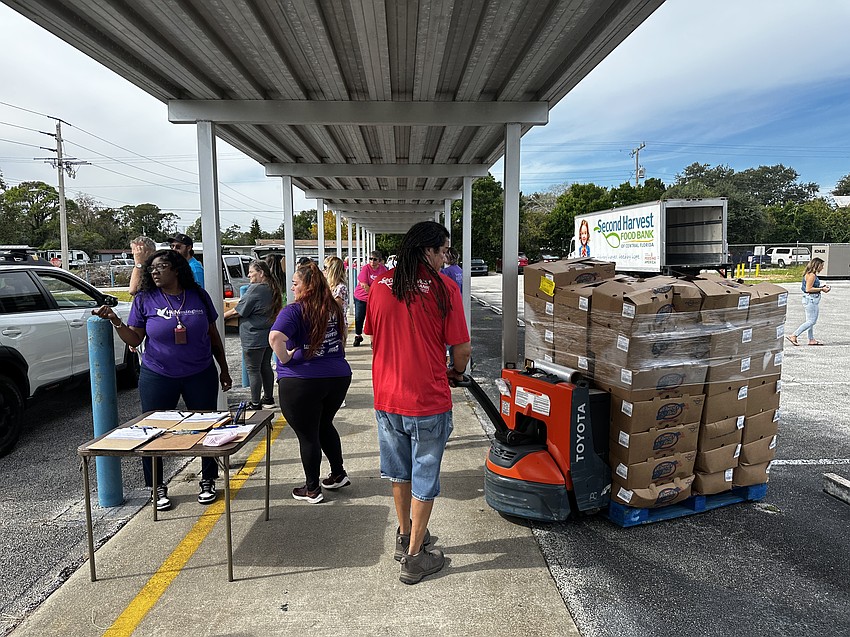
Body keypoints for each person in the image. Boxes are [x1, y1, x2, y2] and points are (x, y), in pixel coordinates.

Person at [364, 221, 471, 585]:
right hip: (426, 398)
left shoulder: (378, 285)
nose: (446, 258)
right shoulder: (444, 288)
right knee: (425, 475)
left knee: (399, 471)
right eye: (443, 251)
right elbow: (462, 350)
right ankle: (414, 557)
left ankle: (405, 533)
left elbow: (375, 333)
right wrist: (456, 372)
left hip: (387, 398)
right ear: (428, 250)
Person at [92, 249, 232, 510]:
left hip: (200, 373)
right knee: (154, 431)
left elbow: (213, 337)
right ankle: (157, 487)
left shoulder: (198, 296)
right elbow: (135, 339)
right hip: (158, 375)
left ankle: (208, 480)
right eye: (152, 268)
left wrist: (223, 369)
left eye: (162, 266)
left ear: (177, 269)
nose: (155, 272)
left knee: (208, 428)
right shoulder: (145, 299)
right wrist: (115, 321)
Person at [269, 261, 352, 504]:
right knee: (325, 424)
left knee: (308, 435)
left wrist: (286, 359)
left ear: (307, 286)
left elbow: (275, 337)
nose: (292, 288)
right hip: (337, 376)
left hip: (302, 380)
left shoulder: (294, 310)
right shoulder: (334, 308)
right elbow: (342, 338)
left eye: (295, 284)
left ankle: (312, 488)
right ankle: (338, 474)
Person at [223, 260, 282, 408]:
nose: (248, 275)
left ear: (261, 273)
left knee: (253, 369)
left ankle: (255, 403)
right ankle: (268, 398)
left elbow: (239, 310)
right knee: (265, 366)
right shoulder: (272, 288)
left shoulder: (255, 289)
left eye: (251, 272)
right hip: (267, 334)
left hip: (253, 336)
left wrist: (221, 316)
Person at [787, 257, 831, 346]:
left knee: (809, 320)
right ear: (817, 265)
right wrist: (822, 289)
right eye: (821, 266)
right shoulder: (812, 275)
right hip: (811, 299)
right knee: (812, 321)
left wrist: (821, 287)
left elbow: (809, 286)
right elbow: (808, 288)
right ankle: (794, 335)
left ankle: (811, 339)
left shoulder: (809, 274)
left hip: (808, 299)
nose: (822, 268)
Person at [353, 251, 387, 346]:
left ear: (379, 261)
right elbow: (364, 285)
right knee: (359, 317)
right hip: (362, 297)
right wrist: (374, 295)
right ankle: (358, 335)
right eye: (370, 259)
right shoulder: (365, 268)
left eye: (375, 259)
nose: (372, 261)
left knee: (373, 319)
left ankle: (373, 339)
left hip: (375, 299)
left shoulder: (383, 270)